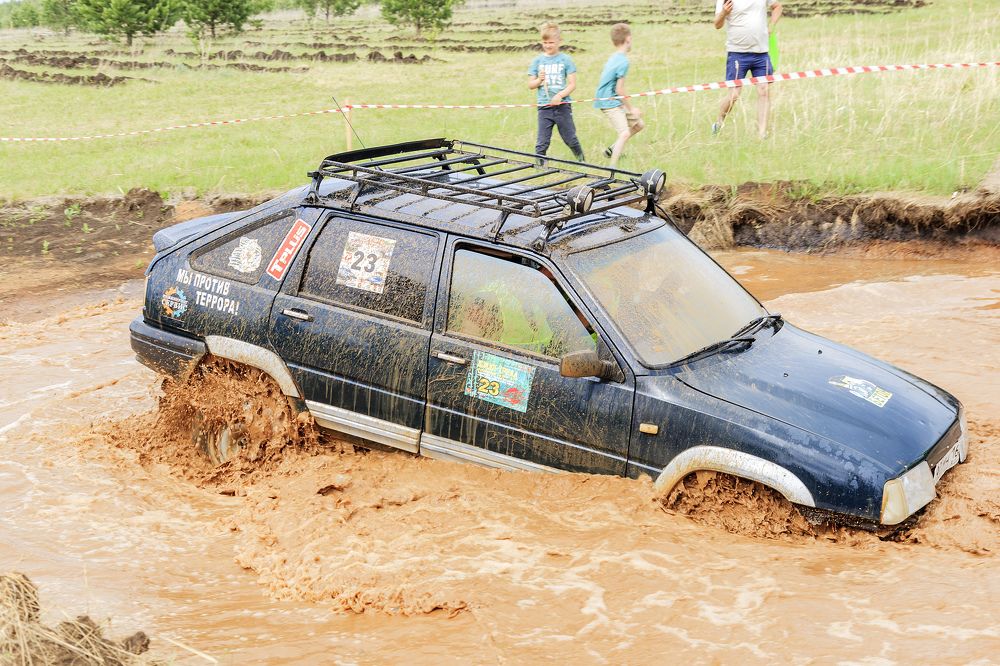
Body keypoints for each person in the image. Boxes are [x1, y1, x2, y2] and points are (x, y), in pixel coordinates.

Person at [712, 0, 782, 139]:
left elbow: (777, 6)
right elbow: (717, 24)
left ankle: (762, 133)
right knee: (734, 94)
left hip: (761, 52)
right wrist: (724, 13)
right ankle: (718, 123)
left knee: (764, 91)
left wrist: (771, 26)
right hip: (737, 53)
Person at [527, 22, 585, 162]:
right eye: (545, 42)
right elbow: (530, 85)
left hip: (562, 107)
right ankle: (539, 169)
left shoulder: (566, 60)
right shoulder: (537, 61)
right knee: (542, 143)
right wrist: (539, 80)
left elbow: (572, 84)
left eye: (551, 42)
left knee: (570, 139)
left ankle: (582, 161)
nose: (548, 45)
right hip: (544, 107)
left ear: (559, 41)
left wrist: (559, 95)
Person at [594, 23, 644, 168]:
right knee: (624, 134)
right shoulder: (623, 61)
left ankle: (611, 150)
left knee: (638, 125)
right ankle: (612, 168)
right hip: (608, 102)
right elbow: (619, 89)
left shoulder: (614, 57)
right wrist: (631, 108)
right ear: (628, 39)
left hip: (613, 99)